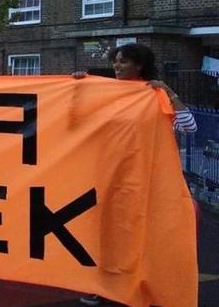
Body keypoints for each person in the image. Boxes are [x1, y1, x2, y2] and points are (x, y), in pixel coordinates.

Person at [74, 43, 196, 306]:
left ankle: (147, 287)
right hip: (110, 178)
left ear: (139, 65)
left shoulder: (155, 94)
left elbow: (189, 127)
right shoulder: (105, 93)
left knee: (145, 234)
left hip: (147, 181)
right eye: (115, 61)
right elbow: (77, 118)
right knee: (107, 235)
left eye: (123, 62)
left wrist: (169, 93)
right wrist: (78, 88)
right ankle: (104, 287)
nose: (116, 66)